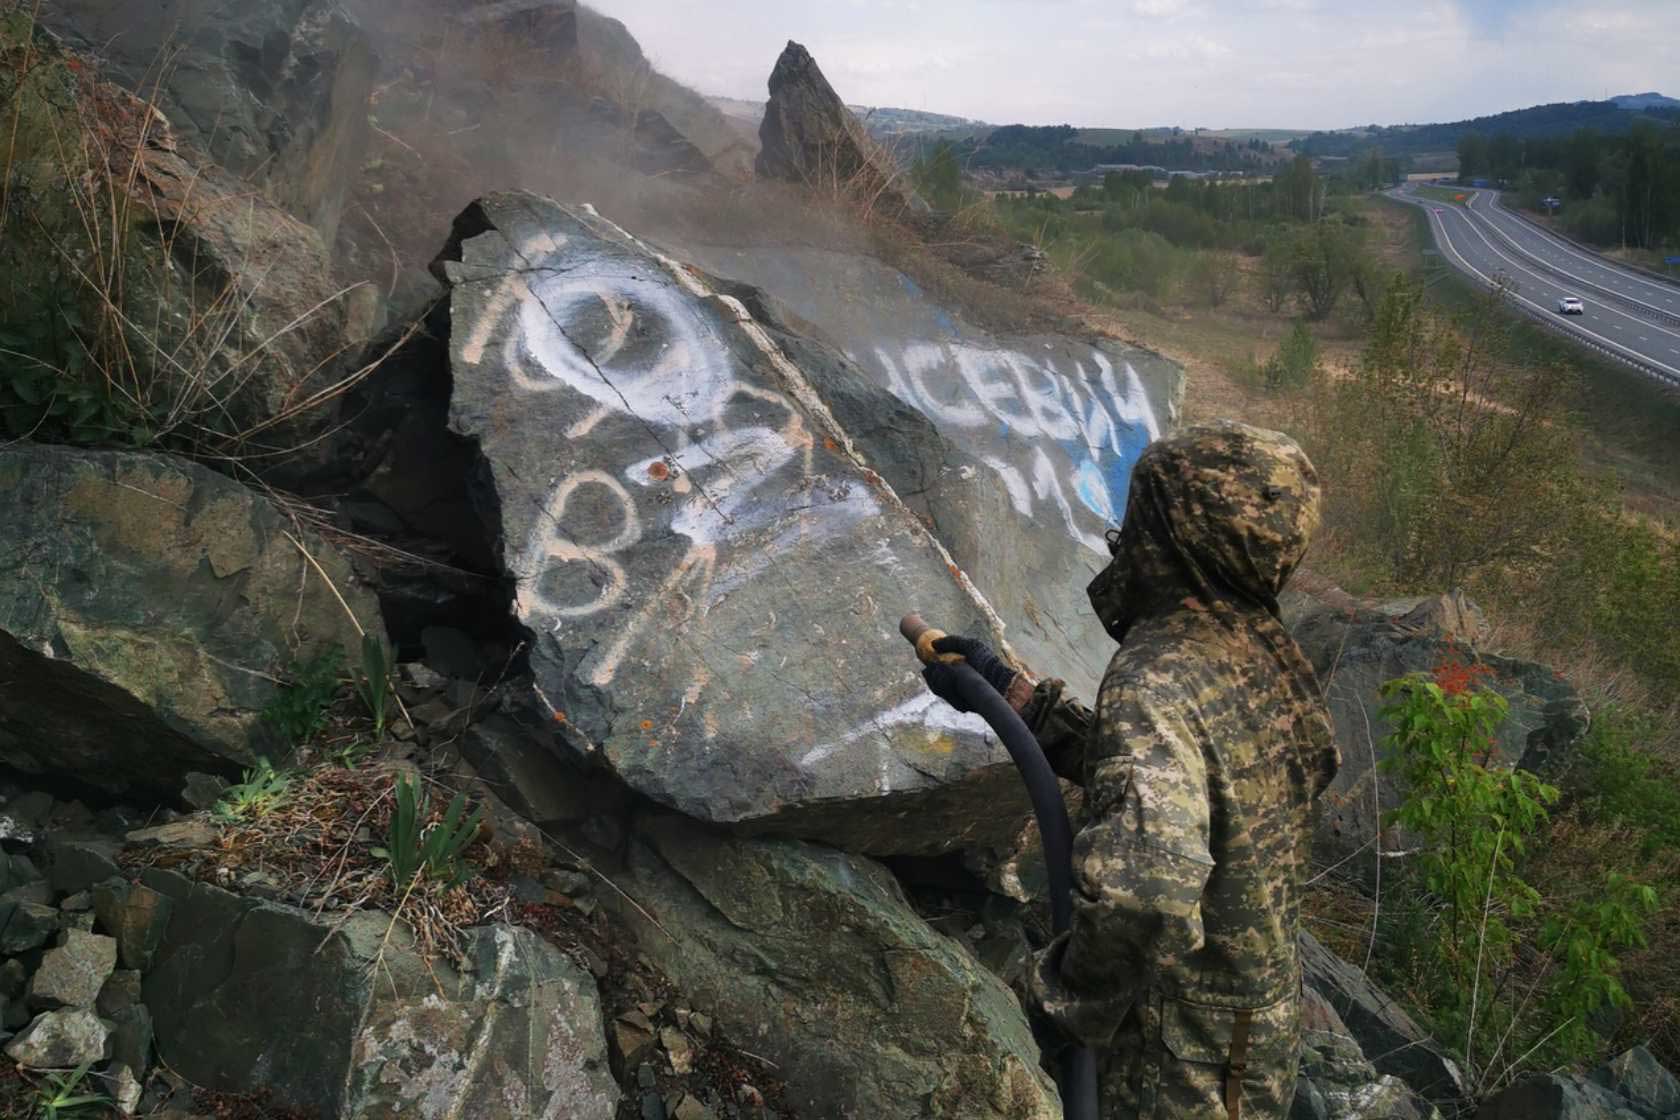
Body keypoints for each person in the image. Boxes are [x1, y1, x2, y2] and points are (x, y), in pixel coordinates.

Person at [922, 421, 1339, 1120]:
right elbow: (1197, 787)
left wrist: (1064, 999)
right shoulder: (1265, 656)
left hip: (1174, 1067)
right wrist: (1014, 695)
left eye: (1139, 517)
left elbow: (1147, 889)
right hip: (1249, 1036)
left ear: (1172, 534)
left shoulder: (1155, 677)